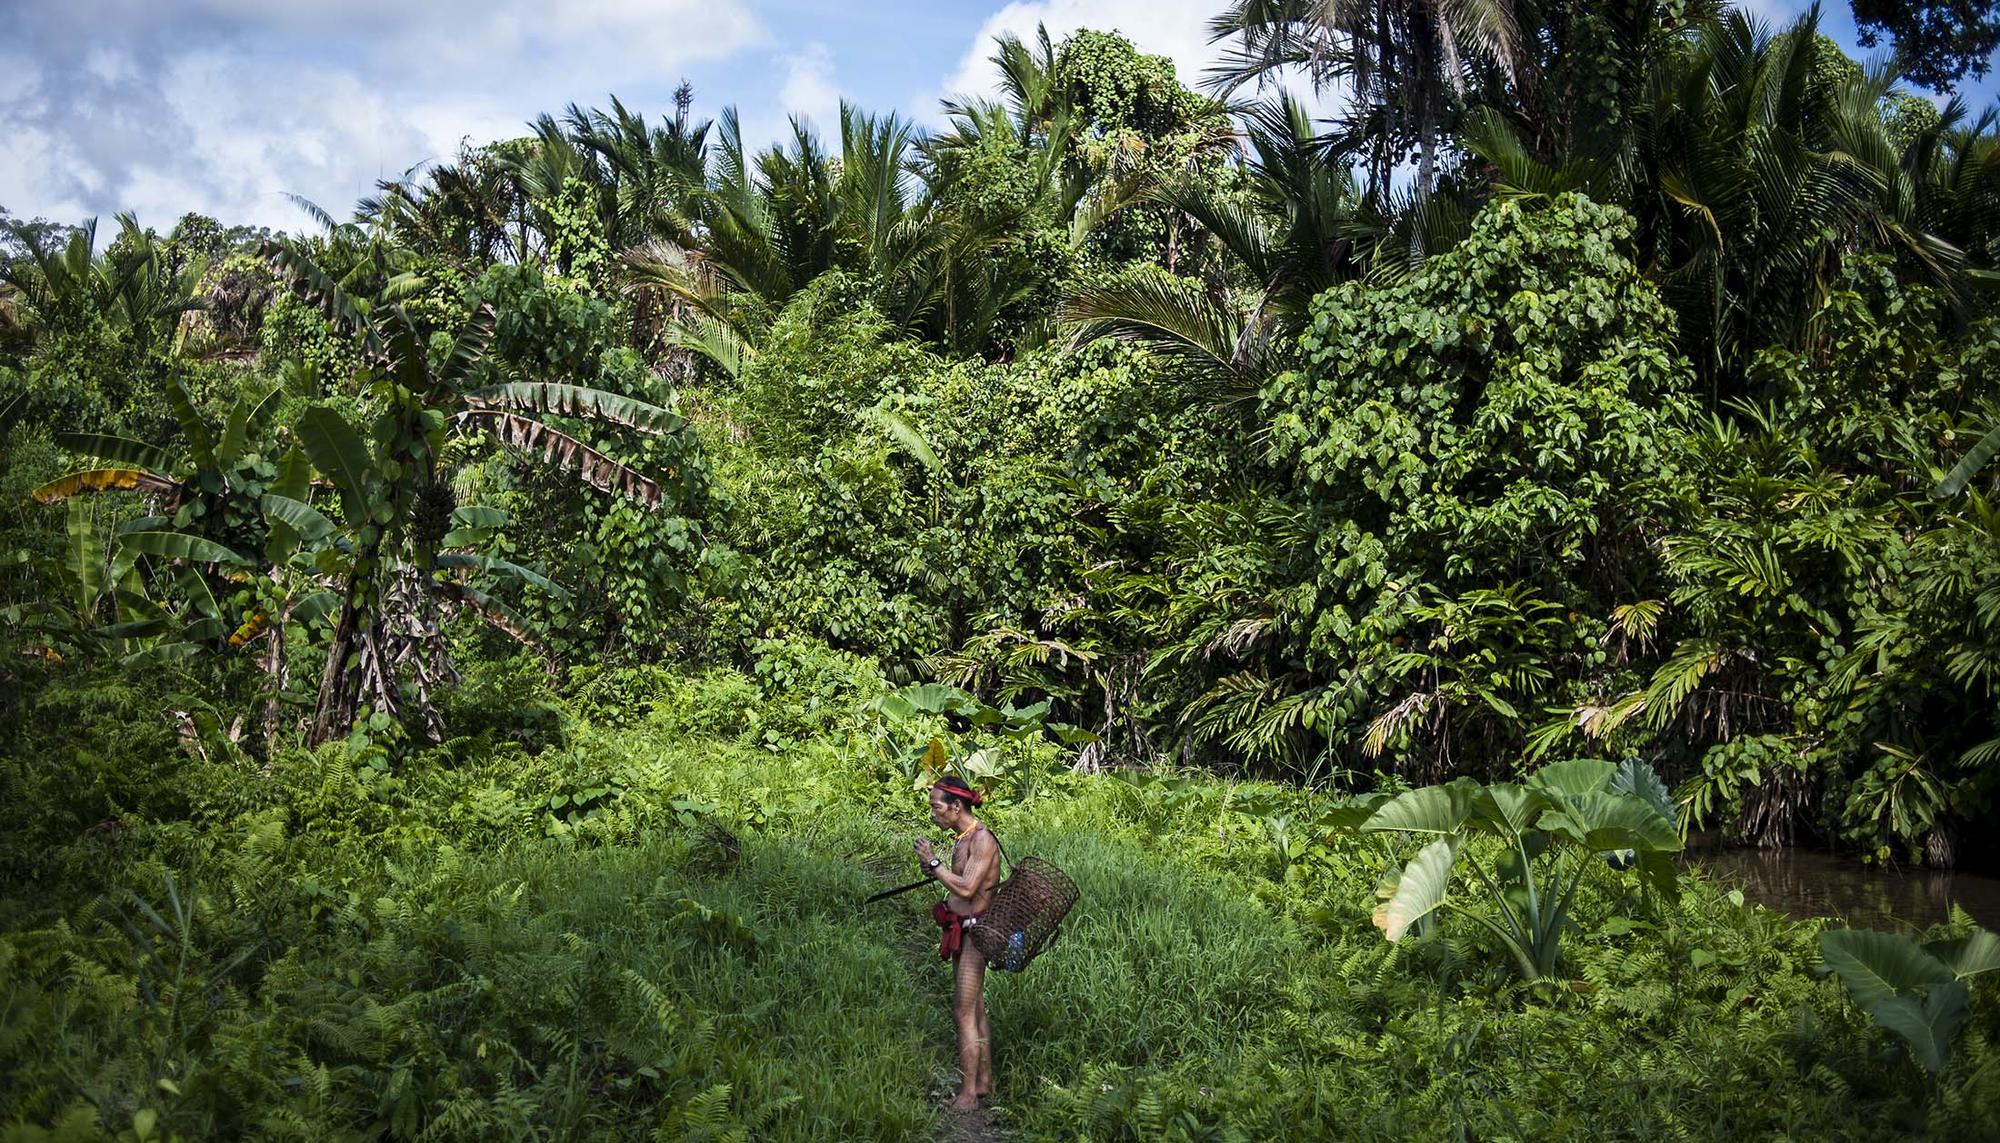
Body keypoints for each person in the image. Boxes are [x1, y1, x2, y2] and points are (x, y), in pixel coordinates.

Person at [914, 775, 1001, 1111]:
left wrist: (934, 862)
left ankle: (967, 1094)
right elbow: (958, 883)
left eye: (937, 807)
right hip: (960, 929)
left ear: (956, 806)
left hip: (977, 932)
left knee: (962, 1010)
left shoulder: (982, 839)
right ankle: (983, 1082)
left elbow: (965, 889)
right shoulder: (962, 836)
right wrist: (932, 867)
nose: (934, 814)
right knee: (975, 1008)